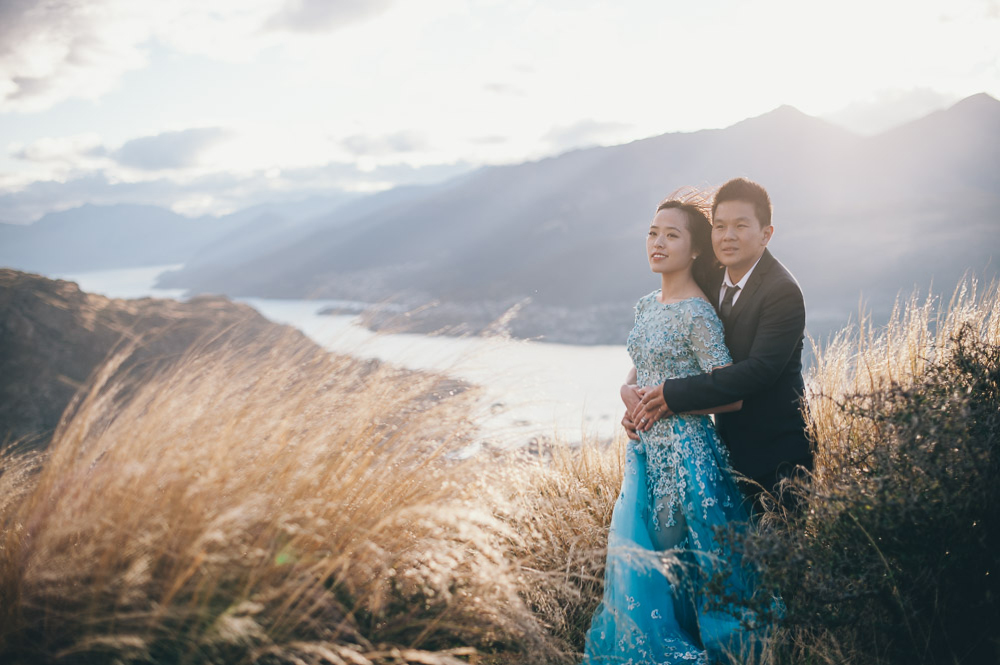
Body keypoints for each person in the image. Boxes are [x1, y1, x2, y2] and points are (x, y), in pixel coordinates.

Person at [584, 194, 756, 665]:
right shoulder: (646, 305)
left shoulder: (698, 313)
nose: (657, 243)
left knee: (674, 560)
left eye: (671, 235)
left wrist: (668, 400)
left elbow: (730, 392)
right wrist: (628, 394)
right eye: (653, 233)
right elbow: (638, 369)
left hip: (685, 456)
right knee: (652, 565)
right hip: (645, 453)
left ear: (695, 249)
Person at [631, 177, 812, 512]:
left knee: (773, 557)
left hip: (776, 455)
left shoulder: (781, 291)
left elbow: (760, 371)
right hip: (720, 450)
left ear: (766, 234)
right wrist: (640, 403)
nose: (728, 236)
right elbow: (670, 342)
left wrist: (671, 396)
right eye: (720, 226)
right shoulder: (711, 280)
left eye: (740, 226)